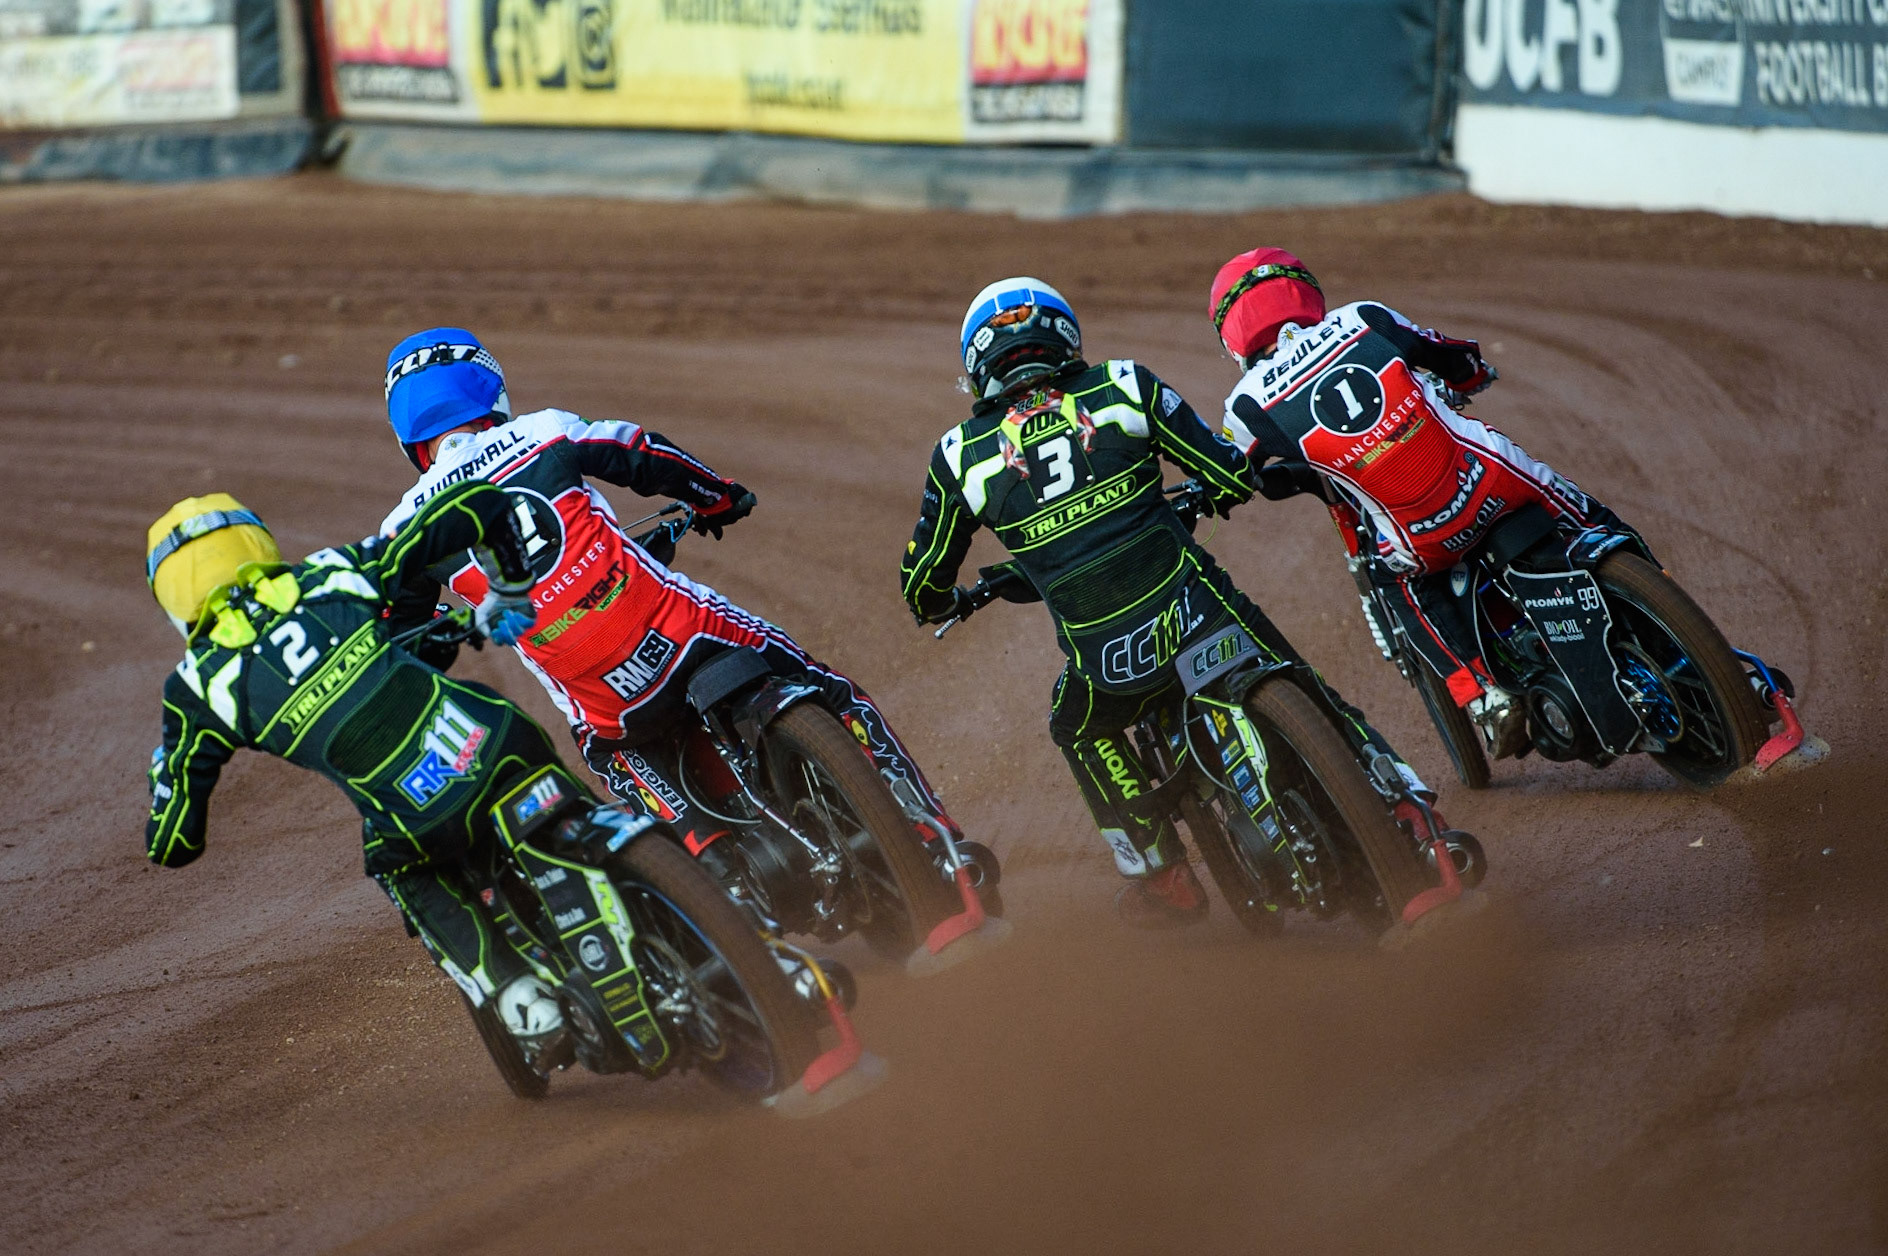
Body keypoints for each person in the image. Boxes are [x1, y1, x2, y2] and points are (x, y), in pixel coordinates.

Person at [900, 277, 1439, 928]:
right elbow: (1225, 469)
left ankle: (1162, 873)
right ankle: (1407, 803)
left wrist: (944, 601)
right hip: (1195, 607)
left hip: (1107, 663)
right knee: (1302, 679)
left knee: (1076, 726)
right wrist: (1217, 489)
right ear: (1064, 335)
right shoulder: (1125, 383)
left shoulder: (958, 456)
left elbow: (923, 580)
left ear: (978, 363)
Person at [374, 328, 969, 859]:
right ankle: (931, 832)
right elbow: (642, 452)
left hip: (604, 702)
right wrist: (717, 496)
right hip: (680, 630)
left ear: (409, 438)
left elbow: (398, 644)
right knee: (830, 691)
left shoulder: (402, 532)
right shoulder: (541, 432)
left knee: (611, 757)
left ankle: (712, 863)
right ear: (490, 395)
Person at [143, 483, 575, 1052]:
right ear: (256, 541)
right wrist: (511, 591)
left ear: (174, 595)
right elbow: (477, 507)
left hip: (416, 820)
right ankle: (631, 846)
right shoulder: (330, 574)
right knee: (519, 741)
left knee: (397, 866)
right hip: (498, 743)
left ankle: (518, 994)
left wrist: (167, 777)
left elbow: (174, 841)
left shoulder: (196, 689)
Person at [1207, 248, 1642, 759]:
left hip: (1421, 536)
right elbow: (1450, 355)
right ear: (1305, 292)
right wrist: (1471, 374)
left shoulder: (1244, 404)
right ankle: (1670, 614)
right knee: (1592, 519)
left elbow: (1245, 475)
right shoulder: (1362, 316)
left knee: (1399, 586)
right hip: (1496, 479)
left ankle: (1481, 694)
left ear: (1232, 334)